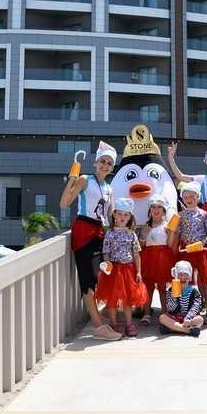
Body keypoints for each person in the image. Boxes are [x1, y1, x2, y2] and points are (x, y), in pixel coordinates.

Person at [60, 141, 122, 341]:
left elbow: (112, 216)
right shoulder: (85, 179)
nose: (105, 165)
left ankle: (98, 316)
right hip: (84, 230)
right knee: (87, 278)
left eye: (109, 163)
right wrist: (72, 179)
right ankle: (97, 325)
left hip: (100, 233)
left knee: (98, 276)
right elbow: (64, 203)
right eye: (102, 161)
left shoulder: (109, 188)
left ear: (112, 168)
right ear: (95, 163)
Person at [169, 181, 207, 324]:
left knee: (204, 282)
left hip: (201, 251)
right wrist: (174, 237)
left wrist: (203, 242)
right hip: (185, 251)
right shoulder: (180, 215)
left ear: (198, 197)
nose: (189, 199)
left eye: (192, 196)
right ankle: (187, 308)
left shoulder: (203, 214)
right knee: (185, 281)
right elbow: (175, 232)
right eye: (186, 197)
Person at [97, 198, 148, 337]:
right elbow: (106, 252)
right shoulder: (110, 233)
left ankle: (129, 324)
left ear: (130, 217)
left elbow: (136, 254)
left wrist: (138, 271)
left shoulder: (131, 234)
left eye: (126, 215)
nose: (122, 217)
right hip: (114, 270)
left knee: (127, 300)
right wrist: (107, 266)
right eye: (119, 214)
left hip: (128, 269)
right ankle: (114, 324)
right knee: (112, 299)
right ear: (114, 215)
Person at [138, 194, 175, 326]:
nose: (156, 209)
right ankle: (147, 313)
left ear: (164, 210)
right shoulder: (145, 227)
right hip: (148, 258)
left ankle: (164, 313)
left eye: (159, 207)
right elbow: (140, 245)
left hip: (162, 259)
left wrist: (171, 233)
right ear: (149, 210)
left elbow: (170, 245)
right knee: (148, 287)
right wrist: (143, 236)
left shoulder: (167, 226)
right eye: (153, 207)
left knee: (162, 287)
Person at [158, 260, 204, 337]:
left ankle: (174, 328)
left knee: (200, 320)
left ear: (190, 277)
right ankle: (188, 330)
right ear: (176, 277)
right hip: (175, 317)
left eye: (186, 274)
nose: (183, 277)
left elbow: (196, 307)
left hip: (189, 318)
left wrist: (188, 318)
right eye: (180, 275)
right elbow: (170, 309)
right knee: (162, 318)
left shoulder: (194, 291)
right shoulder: (171, 290)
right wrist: (174, 296)